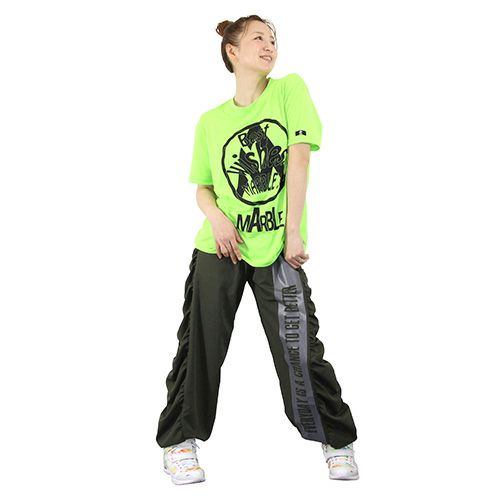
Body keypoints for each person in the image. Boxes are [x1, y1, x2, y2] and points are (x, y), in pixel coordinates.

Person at [156, 15, 359, 485]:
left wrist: (293, 232)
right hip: (220, 247)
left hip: (277, 248)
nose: (269, 45)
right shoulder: (211, 122)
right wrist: (217, 219)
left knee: (299, 348)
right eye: (258, 38)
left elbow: (299, 159)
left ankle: (335, 439)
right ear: (233, 51)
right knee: (199, 347)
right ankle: (179, 442)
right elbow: (204, 189)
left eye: (273, 39)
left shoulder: (289, 91)